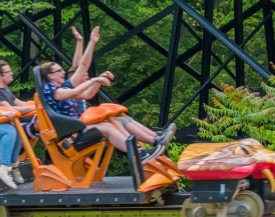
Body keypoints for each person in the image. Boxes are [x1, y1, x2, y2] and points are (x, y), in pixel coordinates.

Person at [65, 27, 175, 155]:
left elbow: (80, 71)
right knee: (114, 123)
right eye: (84, 75)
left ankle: (155, 137)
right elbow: (81, 67)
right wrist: (91, 43)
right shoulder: (68, 91)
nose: (86, 76)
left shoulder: (76, 90)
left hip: (85, 123)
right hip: (78, 130)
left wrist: (80, 41)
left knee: (121, 119)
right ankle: (143, 149)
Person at [39, 59, 166, 163]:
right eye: (59, 70)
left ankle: (150, 143)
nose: (63, 72)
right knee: (108, 128)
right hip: (69, 136)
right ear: (51, 75)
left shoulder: (59, 89)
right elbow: (75, 91)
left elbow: (88, 94)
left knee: (117, 121)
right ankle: (139, 153)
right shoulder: (51, 91)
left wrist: (99, 80)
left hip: (75, 128)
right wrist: (95, 80)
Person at [0, 60, 37, 142]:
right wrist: (36, 107)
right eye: (8, 71)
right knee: (40, 120)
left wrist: (38, 104)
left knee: (44, 115)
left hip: (16, 120)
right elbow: (10, 109)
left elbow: (20, 103)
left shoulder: (5, 87)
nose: (12, 73)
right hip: (9, 124)